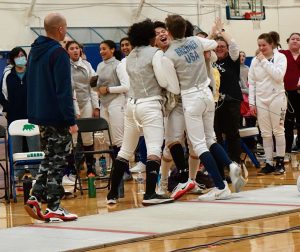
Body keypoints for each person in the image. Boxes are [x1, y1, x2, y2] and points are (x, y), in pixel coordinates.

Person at [162, 15, 245, 200]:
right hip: (208, 95)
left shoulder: (168, 56)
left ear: (168, 32)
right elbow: (213, 45)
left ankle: (220, 186)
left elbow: (174, 88)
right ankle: (230, 165)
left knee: (199, 144)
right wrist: (214, 32)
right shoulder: (196, 41)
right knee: (210, 139)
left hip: (191, 98)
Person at [106, 19, 175, 205]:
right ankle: (151, 194)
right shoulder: (156, 53)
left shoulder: (129, 57)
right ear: (150, 36)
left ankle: (112, 194)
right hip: (150, 104)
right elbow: (162, 81)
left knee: (125, 150)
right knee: (154, 148)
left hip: (131, 106)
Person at [24, 13, 78, 222]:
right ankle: (54, 206)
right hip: (57, 116)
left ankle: (35, 196)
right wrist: (70, 120)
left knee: (49, 157)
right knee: (58, 161)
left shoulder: (35, 51)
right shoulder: (58, 53)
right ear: (60, 29)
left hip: (40, 114)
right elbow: (63, 90)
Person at [248, 32, 287, 175]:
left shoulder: (280, 57)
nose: (261, 48)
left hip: (277, 98)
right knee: (265, 134)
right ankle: (269, 163)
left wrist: (264, 61)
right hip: (261, 100)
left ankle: (280, 162)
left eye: (264, 45)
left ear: (271, 44)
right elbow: (251, 83)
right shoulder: (254, 61)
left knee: (278, 130)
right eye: (259, 45)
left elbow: (278, 76)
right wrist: (252, 103)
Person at [0, 47, 40, 179]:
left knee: (34, 145)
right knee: (16, 145)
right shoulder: (8, 75)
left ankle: (36, 172)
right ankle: (18, 172)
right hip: (14, 116)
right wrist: (7, 109)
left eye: (22, 55)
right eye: (17, 56)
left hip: (32, 114)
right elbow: (2, 94)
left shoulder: (33, 73)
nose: (21, 58)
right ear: (12, 59)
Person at [66, 40, 100, 177]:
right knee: (73, 139)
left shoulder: (87, 65)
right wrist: (74, 110)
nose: (75, 50)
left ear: (80, 50)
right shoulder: (64, 66)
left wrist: (96, 106)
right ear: (67, 51)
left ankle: (91, 168)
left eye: (77, 48)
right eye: (71, 48)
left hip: (86, 102)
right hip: (70, 105)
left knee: (87, 138)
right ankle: (73, 169)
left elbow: (92, 86)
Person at [213, 23, 243, 171]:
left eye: (222, 46)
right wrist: (213, 34)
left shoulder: (232, 59)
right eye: (216, 46)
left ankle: (235, 164)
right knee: (215, 137)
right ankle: (219, 168)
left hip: (231, 101)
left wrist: (221, 32)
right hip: (213, 103)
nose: (219, 48)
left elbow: (234, 44)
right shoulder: (209, 60)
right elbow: (202, 46)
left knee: (232, 134)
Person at [120, 37, 147, 174]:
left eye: (127, 44)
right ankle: (141, 160)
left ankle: (144, 161)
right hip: (129, 101)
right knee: (135, 133)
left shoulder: (141, 59)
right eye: (122, 45)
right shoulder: (123, 62)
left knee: (145, 132)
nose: (125, 47)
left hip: (143, 99)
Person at [279, 33, 300, 157]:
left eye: (298, 39)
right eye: (293, 39)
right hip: (285, 93)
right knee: (287, 122)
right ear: (288, 41)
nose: (295, 41)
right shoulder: (282, 54)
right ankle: (286, 149)